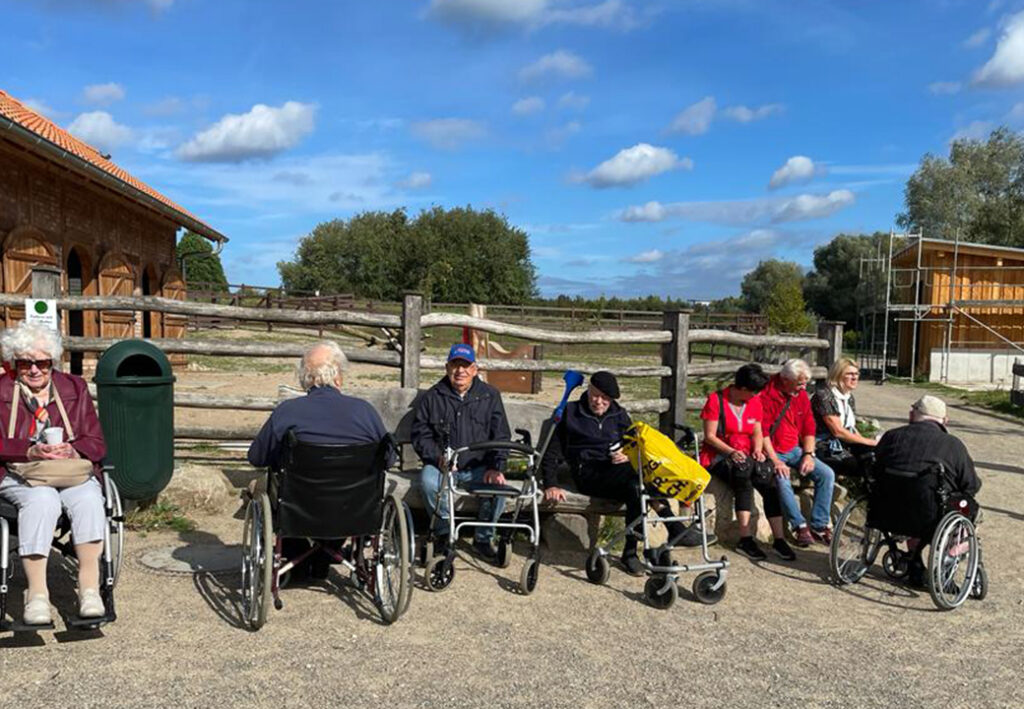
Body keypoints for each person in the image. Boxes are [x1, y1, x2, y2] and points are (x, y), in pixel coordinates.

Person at [541, 371, 712, 576]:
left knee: (637, 485)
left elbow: (635, 443)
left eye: (605, 398)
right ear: (588, 390)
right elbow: (550, 452)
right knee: (638, 483)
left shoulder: (618, 414)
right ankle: (667, 532)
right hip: (588, 473)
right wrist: (550, 483)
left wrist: (627, 453)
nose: (599, 401)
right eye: (595, 395)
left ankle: (635, 550)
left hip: (620, 473)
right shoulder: (570, 412)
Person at [248, 341, 392, 578]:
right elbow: (387, 460)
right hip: (354, 507)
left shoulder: (288, 411)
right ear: (339, 377)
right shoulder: (365, 412)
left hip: (300, 506)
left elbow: (256, 457)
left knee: (276, 486)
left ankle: (299, 555)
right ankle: (328, 551)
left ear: (306, 379)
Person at [0, 322, 108, 625]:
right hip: (19, 473)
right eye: (25, 362)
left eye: (42, 362)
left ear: (53, 361)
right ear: (13, 362)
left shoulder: (73, 387)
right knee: (42, 500)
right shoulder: (2, 390)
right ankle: (37, 595)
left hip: (69, 471)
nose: (34, 370)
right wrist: (28, 450)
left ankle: (89, 589)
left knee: (88, 497)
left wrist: (74, 450)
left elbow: (97, 441)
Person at [412, 344, 511, 563]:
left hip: (479, 466)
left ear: (474, 369)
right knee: (428, 483)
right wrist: (437, 457)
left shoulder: (490, 395)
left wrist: (497, 466)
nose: (460, 371)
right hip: (441, 466)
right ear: (447, 367)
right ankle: (444, 533)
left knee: (499, 487)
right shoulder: (434, 396)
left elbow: (501, 435)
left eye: (465, 366)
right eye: (455, 365)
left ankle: (483, 538)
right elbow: (420, 435)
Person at [873, 394, 981, 586]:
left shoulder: (891, 436)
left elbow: (876, 466)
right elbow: (971, 485)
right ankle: (949, 557)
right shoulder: (953, 445)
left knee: (912, 498)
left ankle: (915, 561)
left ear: (912, 415)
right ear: (944, 421)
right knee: (968, 508)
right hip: (930, 517)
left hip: (886, 512)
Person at [699, 364, 796, 561]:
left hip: (746, 452)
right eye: (753, 391)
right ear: (742, 389)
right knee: (742, 477)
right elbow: (710, 436)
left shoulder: (754, 402)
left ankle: (778, 539)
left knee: (767, 478)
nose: (756, 395)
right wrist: (731, 452)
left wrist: (758, 450)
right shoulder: (716, 400)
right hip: (720, 453)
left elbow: (757, 431)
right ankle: (745, 537)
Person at [759, 358, 836, 547]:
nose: (802, 388)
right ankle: (799, 525)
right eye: (798, 384)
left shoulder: (799, 395)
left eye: (804, 384)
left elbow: (809, 426)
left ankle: (819, 524)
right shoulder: (767, 395)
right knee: (781, 479)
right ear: (785, 380)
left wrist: (809, 454)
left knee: (826, 474)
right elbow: (762, 432)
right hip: (772, 451)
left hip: (795, 449)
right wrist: (776, 460)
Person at [810, 358, 877, 477]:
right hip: (823, 444)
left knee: (875, 455)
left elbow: (851, 427)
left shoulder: (849, 397)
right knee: (853, 464)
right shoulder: (824, 395)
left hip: (843, 442)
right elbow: (838, 431)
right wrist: (869, 441)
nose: (855, 377)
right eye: (850, 374)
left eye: (856, 374)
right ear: (838, 375)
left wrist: (867, 443)